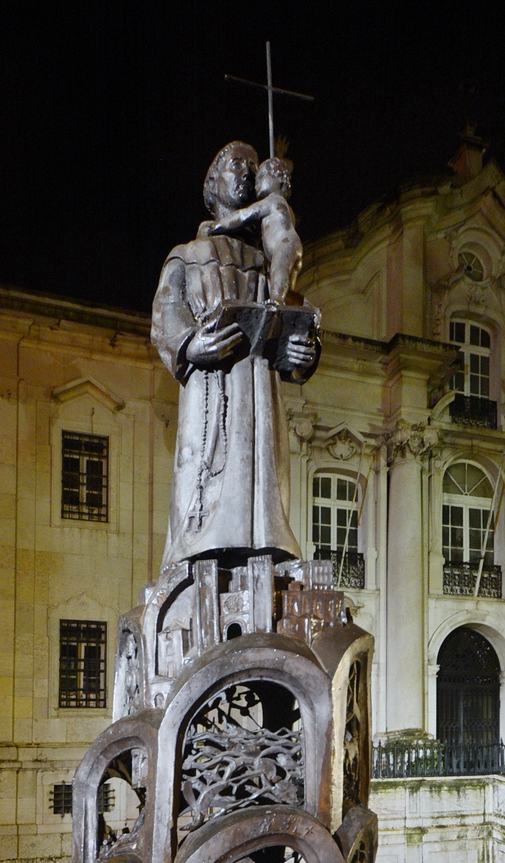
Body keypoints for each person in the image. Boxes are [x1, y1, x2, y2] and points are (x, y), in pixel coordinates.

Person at [151, 142, 318, 567]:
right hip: (211, 389)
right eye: (234, 164)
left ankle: (265, 546)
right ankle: (200, 551)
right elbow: (166, 316)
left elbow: (286, 322)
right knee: (209, 469)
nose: (245, 171)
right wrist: (191, 344)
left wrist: (299, 351)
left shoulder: (267, 262)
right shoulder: (187, 255)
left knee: (262, 469)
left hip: (261, 388)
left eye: (251, 165)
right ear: (212, 184)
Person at [209, 156, 302, 305]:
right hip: (293, 246)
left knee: (279, 271)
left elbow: (244, 216)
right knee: (289, 291)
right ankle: (299, 306)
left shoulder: (272, 200)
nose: (256, 183)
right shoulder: (285, 207)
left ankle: (276, 301)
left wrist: (218, 225)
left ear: (279, 178)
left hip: (284, 244)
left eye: (262, 176)